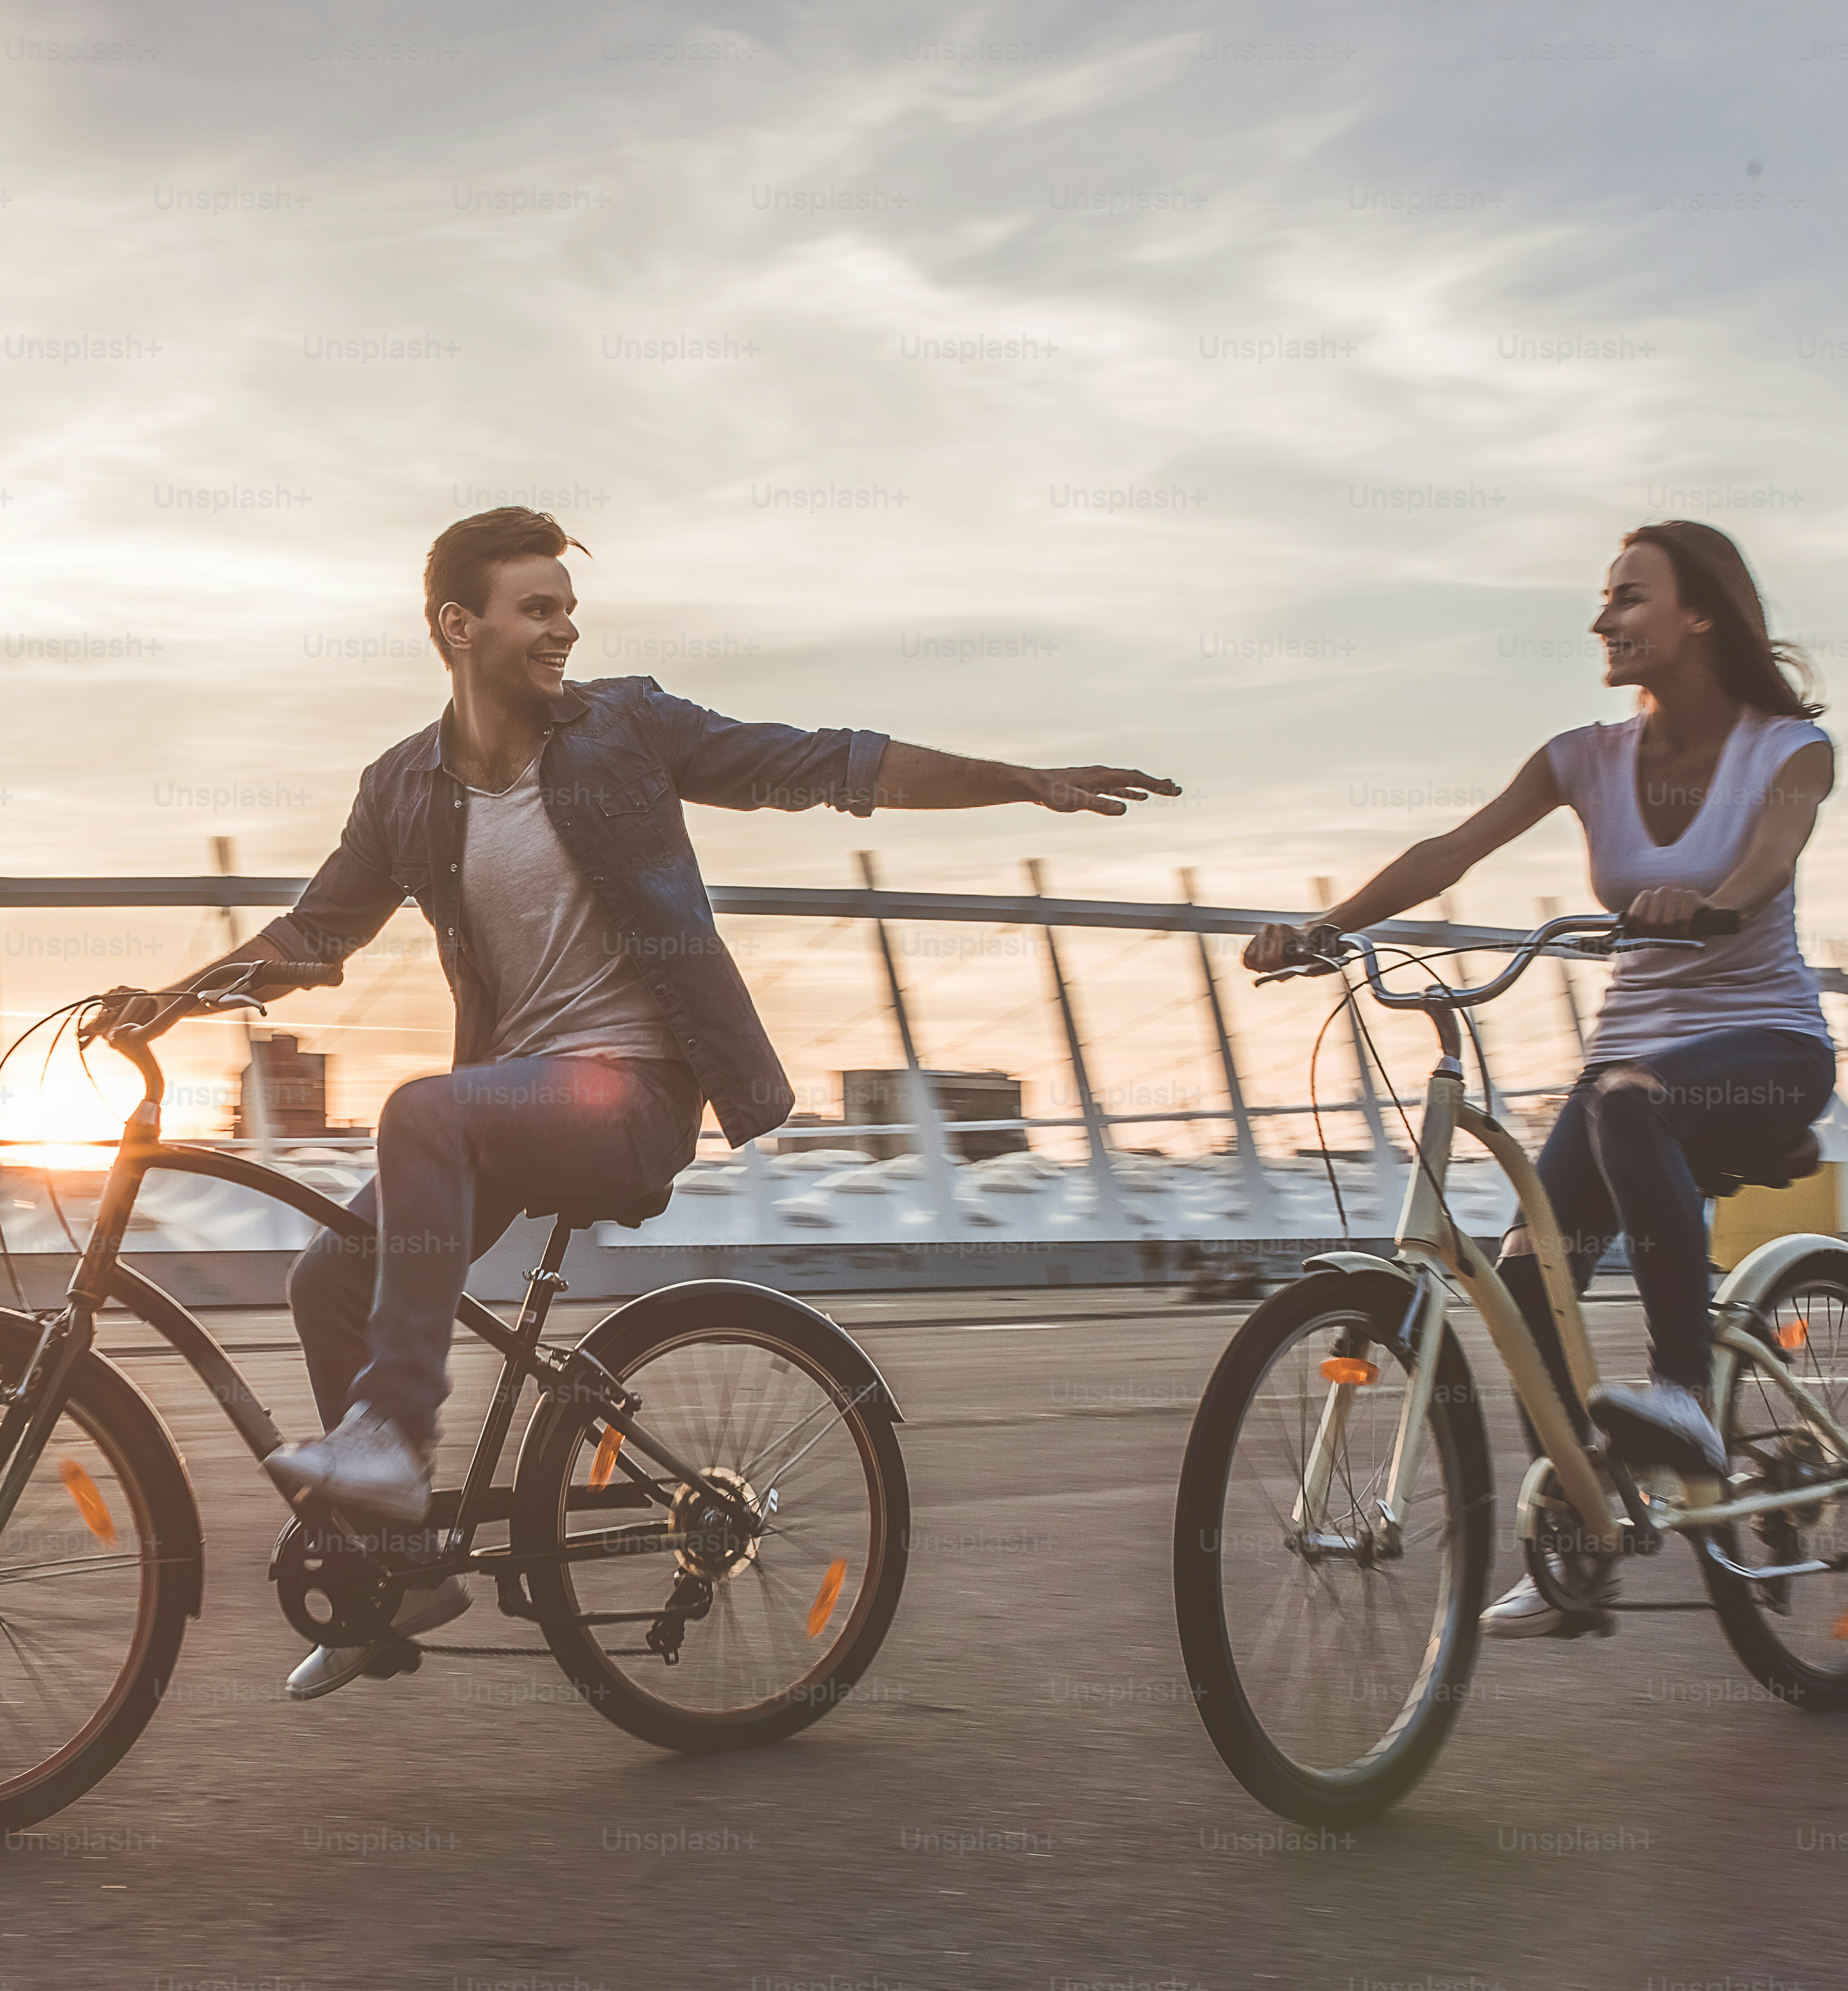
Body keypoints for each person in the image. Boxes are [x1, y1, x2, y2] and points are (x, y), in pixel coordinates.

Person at [154, 506, 1178, 1696]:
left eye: (567, 610)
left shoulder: (623, 729)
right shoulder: (402, 790)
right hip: (512, 1105)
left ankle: (388, 1439)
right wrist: (164, 998)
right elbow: (313, 933)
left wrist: (1024, 783)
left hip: (629, 1094)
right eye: (537, 609)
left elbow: (824, 761)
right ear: (456, 626)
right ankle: (397, 1563)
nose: (564, 630)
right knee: (328, 1273)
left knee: (422, 1110)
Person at [1243, 519, 1837, 1639]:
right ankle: (1581, 1534)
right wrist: (1327, 927)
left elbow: (1773, 854)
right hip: (1633, 1061)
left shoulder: (1785, 750)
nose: (1602, 618)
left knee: (1621, 1104)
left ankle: (1681, 1398)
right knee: (1522, 1282)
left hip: (1765, 1048)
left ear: (1700, 614)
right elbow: (1449, 854)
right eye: (1605, 599)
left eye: (1629, 597)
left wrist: (1713, 903)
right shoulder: (1585, 757)